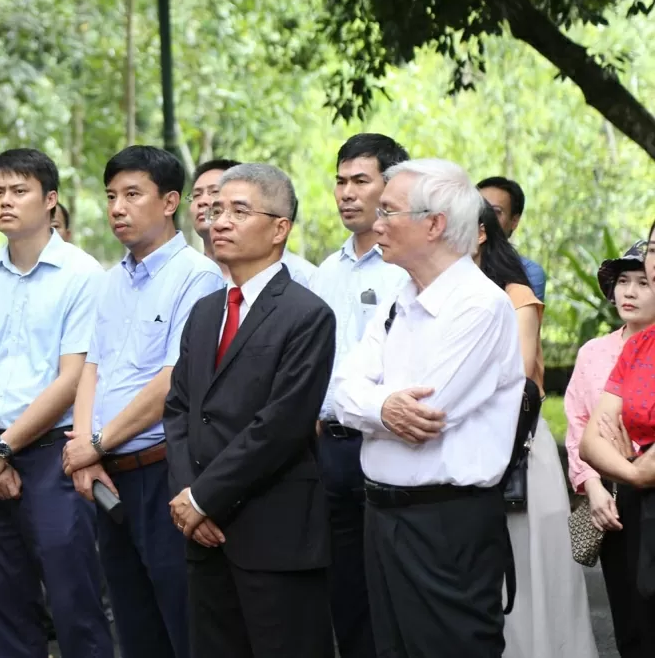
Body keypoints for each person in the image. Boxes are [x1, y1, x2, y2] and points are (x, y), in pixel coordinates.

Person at [331, 159, 523, 658]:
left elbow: (427, 414)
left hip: (445, 522)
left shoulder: (481, 305)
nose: (376, 224)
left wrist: (372, 402)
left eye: (389, 211)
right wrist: (383, 405)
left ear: (434, 224)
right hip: (382, 515)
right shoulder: (402, 295)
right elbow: (342, 387)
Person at [164, 162, 337, 658]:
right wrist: (186, 499)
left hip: (274, 531)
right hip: (202, 530)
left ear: (280, 227)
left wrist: (204, 498)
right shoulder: (205, 311)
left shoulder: (306, 314)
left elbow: (280, 427)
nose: (220, 222)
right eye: (216, 209)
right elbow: (180, 410)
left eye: (239, 211)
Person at [0, 148, 112, 658]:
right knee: (3, 601)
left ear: (51, 200)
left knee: (73, 601)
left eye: (19, 191)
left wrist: (1, 450)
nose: (5, 202)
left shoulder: (82, 274)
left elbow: (71, 380)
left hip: (51, 456)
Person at [61, 146, 224, 658]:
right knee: (131, 623)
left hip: (163, 473)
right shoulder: (110, 282)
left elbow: (173, 382)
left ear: (170, 201)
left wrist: (95, 444)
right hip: (109, 475)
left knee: (181, 618)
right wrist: (85, 453)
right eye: (111, 196)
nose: (117, 208)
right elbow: (92, 368)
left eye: (133, 195)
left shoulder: (198, 277)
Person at [474, 204, 597, 658]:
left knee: (527, 569)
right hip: (464, 448)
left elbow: (522, 379)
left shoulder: (516, 296)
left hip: (518, 444)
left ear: (481, 234)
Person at [309, 133, 409, 658]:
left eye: (360, 181)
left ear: (390, 186)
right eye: (341, 182)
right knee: (343, 588)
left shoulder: (409, 269)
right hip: (330, 448)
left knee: (393, 586)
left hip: (390, 443)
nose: (347, 193)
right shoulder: (327, 270)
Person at [565, 240, 655, 658]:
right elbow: (580, 426)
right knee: (626, 607)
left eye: (642, 282)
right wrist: (593, 485)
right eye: (623, 282)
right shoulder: (594, 352)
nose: (630, 292)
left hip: (646, 482)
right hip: (610, 496)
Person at [188, 157, 316, 286]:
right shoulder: (188, 275)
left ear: (280, 229)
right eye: (196, 195)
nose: (203, 201)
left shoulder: (304, 279)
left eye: (238, 211)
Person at [477, 176, 547, 301]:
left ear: (514, 221)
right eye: (478, 208)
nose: (484, 216)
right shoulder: (449, 260)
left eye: (495, 212)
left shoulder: (528, 273)